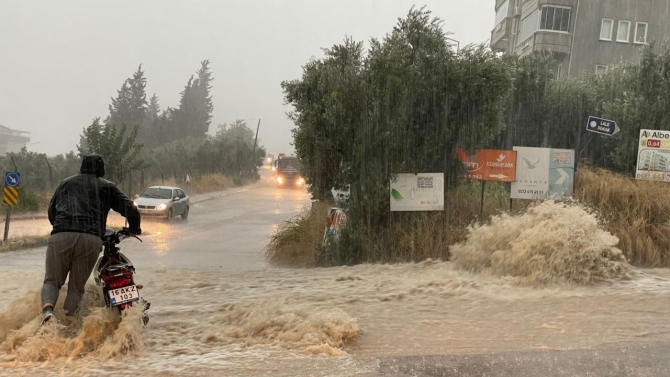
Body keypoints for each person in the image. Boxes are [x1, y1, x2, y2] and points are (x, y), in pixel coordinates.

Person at [41, 154, 141, 324]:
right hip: (91, 239)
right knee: (76, 287)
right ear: (101, 170)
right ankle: (68, 321)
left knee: (52, 280)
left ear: (82, 167)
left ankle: (48, 311)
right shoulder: (106, 186)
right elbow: (131, 209)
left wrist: (62, 228)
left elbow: (52, 213)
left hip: (61, 234)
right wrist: (134, 229)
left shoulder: (65, 183)